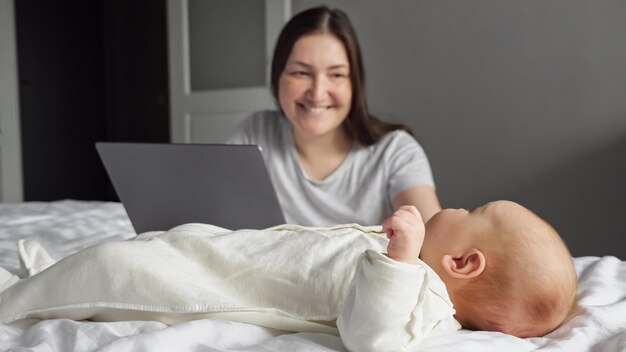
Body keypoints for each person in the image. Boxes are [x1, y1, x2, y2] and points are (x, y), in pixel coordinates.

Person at [0, 200, 576, 351]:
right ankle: (48, 276)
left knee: (116, 268)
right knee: (154, 246)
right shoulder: (414, 268)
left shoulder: (421, 293)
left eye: (472, 213)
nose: (455, 208)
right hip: (226, 253)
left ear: (463, 263)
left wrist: (400, 260)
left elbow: (371, 337)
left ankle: (16, 302)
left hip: (213, 285)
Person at [227, 6, 441, 225]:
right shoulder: (255, 134)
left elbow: (434, 240)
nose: (318, 93)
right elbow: (217, 224)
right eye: (301, 73)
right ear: (277, 78)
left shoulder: (396, 151)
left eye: (336, 74)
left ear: (354, 84)